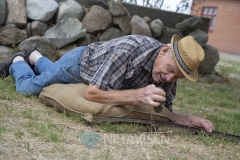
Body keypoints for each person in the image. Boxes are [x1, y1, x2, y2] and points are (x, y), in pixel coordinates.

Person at [0, 34, 215, 132]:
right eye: (170, 71)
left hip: (96, 71)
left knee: (50, 71)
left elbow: (163, 114)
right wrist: (138, 96)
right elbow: (92, 93)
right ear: (165, 50)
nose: (169, 80)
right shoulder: (128, 51)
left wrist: (187, 120)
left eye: (176, 77)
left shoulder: (169, 73)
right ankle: (17, 61)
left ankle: (35, 56)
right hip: (79, 66)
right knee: (28, 88)